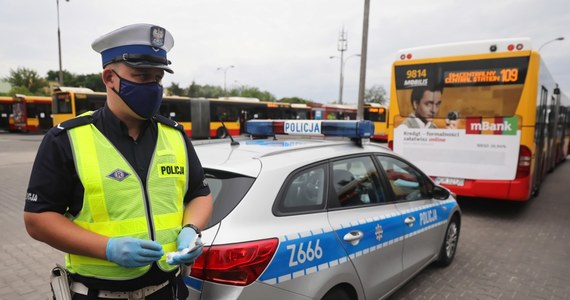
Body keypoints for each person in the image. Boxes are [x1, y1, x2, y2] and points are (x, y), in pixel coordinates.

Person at [23, 24, 213, 300]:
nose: (153, 86)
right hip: (98, 293)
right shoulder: (66, 140)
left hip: (167, 291)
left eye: (158, 78)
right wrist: (107, 248)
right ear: (109, 78)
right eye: (141, 76)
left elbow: (199, 193)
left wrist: (191, 228)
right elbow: (37, 220)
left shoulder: (174, 136)